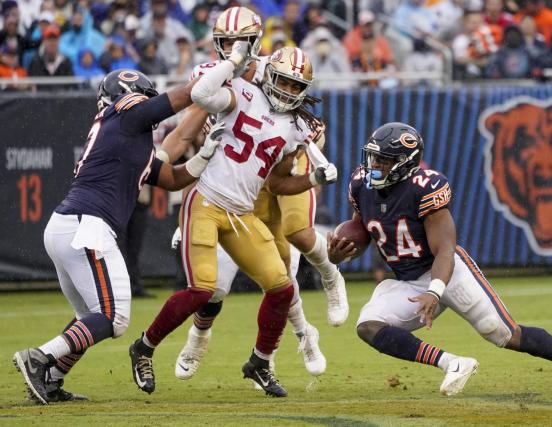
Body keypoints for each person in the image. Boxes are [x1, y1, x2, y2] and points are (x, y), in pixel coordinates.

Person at [328, 122, 552, 413]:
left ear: (406, 163)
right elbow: (363, 231)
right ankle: (451, 362)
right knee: (368, 326)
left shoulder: (425, 188)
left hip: (448, 271)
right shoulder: (360, 184)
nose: (375, 165)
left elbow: (445, 250)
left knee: (504, 334)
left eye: (384, 160)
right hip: (407, 281)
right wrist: (341, 255)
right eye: (374, 157)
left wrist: (435, 291)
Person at [128, 40, 339, 398]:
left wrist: (313, 179)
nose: (288, 91)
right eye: (283, 82)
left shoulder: (293, 128)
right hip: (207, 202)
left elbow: (277, 183)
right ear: (269, 74)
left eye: (295, 86)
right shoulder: (241, 91)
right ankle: (144, 348)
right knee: (203, 290)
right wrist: (236, 62)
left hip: (242, 214)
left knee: (282, 285)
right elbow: (203, 92)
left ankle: (259, 361)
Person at [12, 68, 219, 405]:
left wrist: (206, 151)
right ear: (129, 96)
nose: (147, 107)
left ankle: (51, 377)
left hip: (70, 225)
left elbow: (172, 178)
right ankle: (39, 357)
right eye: (144, 99)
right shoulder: (124, 117)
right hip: (87, 226)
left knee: (89, 316)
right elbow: (183, 97)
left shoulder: (122, 138)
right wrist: (224, 72)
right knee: (114, 317)